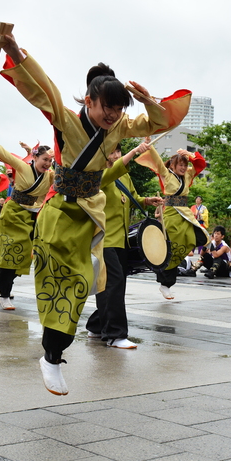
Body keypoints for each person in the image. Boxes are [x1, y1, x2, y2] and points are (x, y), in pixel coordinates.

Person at [0, 31, 191, 395]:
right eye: (107, 107)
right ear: (89, 100)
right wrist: (15, 52)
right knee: (63, 290)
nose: (113, 115)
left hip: (90, 220)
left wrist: (149, 100)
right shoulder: (67, 120)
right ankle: (52, 356)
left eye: (119, 109)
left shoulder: (118, 127)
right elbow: (43, 88)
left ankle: (53, 354)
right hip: (59, 216)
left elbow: (159, 123)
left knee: (84, 286)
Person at [86, 140, 162, 347]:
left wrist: (147, 200)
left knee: (109, 286)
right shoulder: (98, 173)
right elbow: (110, 176)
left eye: (118, 150)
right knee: (115, 283)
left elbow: (133, 197)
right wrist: (135, 152)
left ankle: (96, 326)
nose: (116, 154)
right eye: (112, 151)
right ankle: (115, 335)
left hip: (120, 239)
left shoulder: (125, 175)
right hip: (103, 239)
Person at [0, 125, 54, 310]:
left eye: (51, 160)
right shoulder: (22, 167)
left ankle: (8, 284)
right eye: (45, 159)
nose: (48, 163)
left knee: (28, 255)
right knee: (9, 256)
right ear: (35, 157)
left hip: (34, 216)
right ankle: (4, 294)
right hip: (13, 214)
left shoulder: (51, 176)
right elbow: (2, 152)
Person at [135, 145, 208, 300]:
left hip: (185, 214)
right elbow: (158, 161)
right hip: (171, 214)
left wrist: (188, 153)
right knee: (171, 248)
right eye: (180, 165)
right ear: (173, 166)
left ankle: (166, 279)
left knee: (197, 238)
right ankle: (165, 283)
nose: (183, 167)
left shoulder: (188, 175)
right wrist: (150, 146)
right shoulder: (167, 175)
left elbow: (201, 164)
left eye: (185, 164)